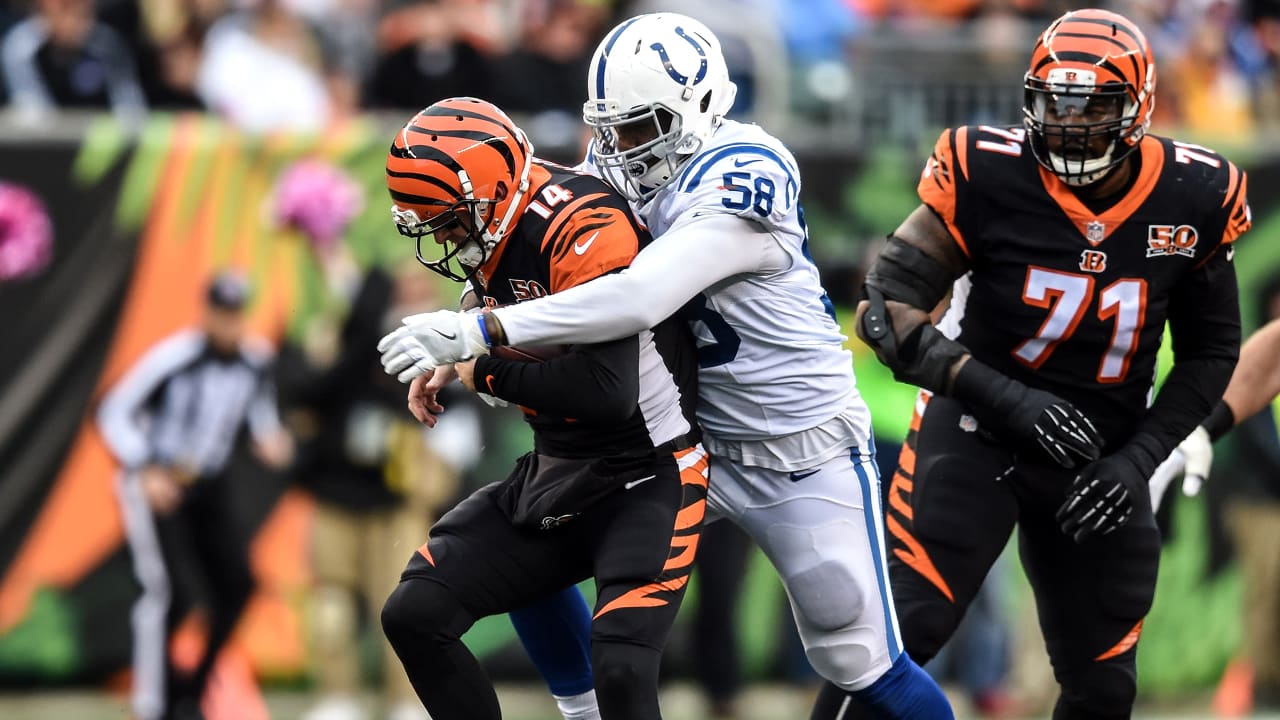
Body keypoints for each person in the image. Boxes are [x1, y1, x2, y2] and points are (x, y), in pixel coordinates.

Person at [378, 13, 953, 719]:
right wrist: (473, 320)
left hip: (798, 449)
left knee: (856, 656)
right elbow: (539, 255)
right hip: (685, 443)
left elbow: (637, 297)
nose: (619, 148)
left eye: (640, 126)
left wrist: (476, 334)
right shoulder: (617, 162)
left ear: (703, 105)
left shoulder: (747, 171)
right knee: (533, 537)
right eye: (609, 127)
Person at [847, 8, 1246, 718]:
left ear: (1139, 105)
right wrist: (1010, 400)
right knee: (899, 638)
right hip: (977, 432)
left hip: (1101, 455)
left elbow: (1213, 350)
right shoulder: (987, 170)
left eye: (1092, 106)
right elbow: (888, 311)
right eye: (1054, 103)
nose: (1069, 124)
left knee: (1103, 689)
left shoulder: (1194, 194)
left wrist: (1140, 459)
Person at [375, 97, 709, 720]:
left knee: (622, 668)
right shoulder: (497, 227)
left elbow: (606, 394)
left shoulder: (580, 224)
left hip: (648, 471)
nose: (444, 237)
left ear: (494, 193)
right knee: (415, 613)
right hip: (558, 468)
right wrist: (460, 350)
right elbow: (513, 320)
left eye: (449, 219)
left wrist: (479, 364)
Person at [99, 271, 294, 720]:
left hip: (208, 480)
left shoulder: (254, 360)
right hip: (157, 480)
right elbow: (112, 411)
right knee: (166, 592)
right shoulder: (174, 357)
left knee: (238, 584)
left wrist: (271, 441)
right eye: (221, 314)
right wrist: (145, 467)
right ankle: (154, 705)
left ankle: (193, 691)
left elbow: (258, 416)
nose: (229, 324)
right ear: (205, 312)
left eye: (236, 314)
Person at [1148, 279, 1280, 713]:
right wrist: (1204, 429)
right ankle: (1264, 683)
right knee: (1265, 592)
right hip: (1261, 495)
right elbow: (1270, 358)